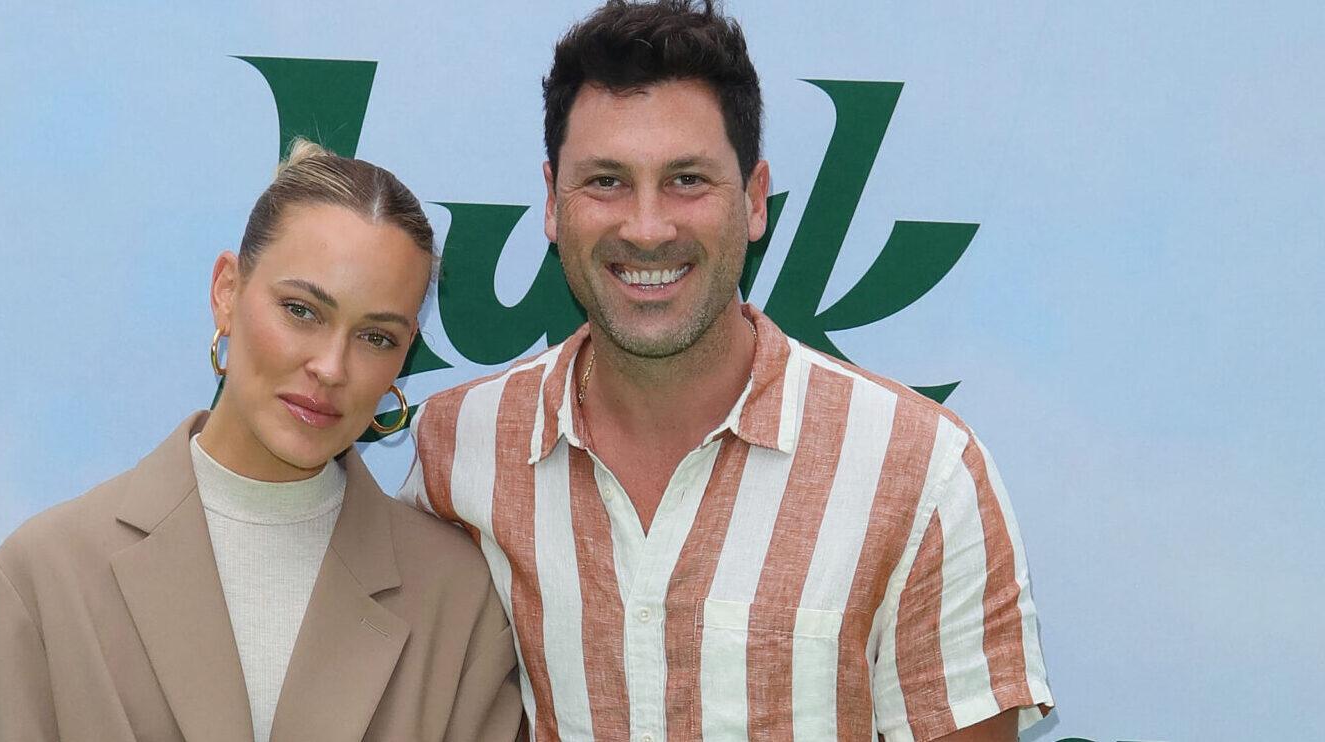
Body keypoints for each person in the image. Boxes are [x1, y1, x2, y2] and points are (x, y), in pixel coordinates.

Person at [398, 2, 1054, 740]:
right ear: (552, 202)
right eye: (606, 182)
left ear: (753, 200)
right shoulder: (457, 452)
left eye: (686, 180)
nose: (647, 228)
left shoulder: (919, 470)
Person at [0, 139, 524, 742]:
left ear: (405, 355)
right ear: (227, 292)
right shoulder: (45, 576)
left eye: (376, 338)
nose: (331, 367)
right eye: (302, 311)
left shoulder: (460, 602)